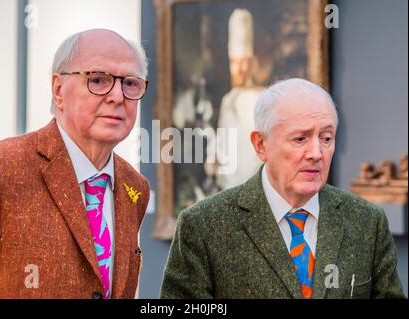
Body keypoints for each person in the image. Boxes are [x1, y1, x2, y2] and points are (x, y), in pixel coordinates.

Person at [160, 78, 405, 299]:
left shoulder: (367, 222)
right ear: (261, 144)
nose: (316, 153)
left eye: (326, 138)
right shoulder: (203, 226)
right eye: (300, 139)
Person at [0, 29, 150, 299]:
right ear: (58, 89)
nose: (118, 96)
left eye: (131, 83)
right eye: (98, 80)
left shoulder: (134, 187)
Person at [214, 8, 270, 190]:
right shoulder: (228, 100)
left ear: (252, 62)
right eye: (234, 63)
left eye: (243, 62)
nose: (238, 70)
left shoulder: (262, 98)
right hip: (228, 186)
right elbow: (222, 141)